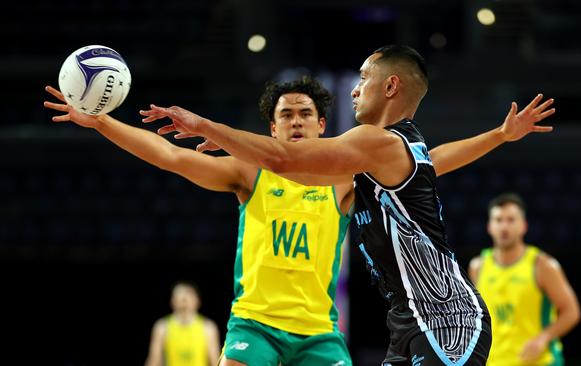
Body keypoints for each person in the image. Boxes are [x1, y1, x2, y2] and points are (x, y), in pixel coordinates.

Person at [141, 44, 556, 365]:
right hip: (407, 319)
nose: (354, 89)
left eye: (363, 78)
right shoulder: (399, 150)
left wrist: (206, 125)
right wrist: (499, 135)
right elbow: (293, 167)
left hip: (444, 317)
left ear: (390, 86)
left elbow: (285, 159)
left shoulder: (375, 140)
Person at [44, 77, 355, 366]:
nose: (296, 121)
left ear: (322, 125)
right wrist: (101, 121)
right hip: (256, 326)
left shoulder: (344, 181)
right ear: (273, 128)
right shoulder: (250, 172)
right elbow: (170, 156)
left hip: (318, 331)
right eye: (286, 115)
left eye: (305, 113)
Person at [468, 193, 581, 366]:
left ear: (524, 226)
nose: (504, 226)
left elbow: (571, 311)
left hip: (540, 361)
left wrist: (544, 338)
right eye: (499, 220)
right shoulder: (478, 267)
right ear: (490, 226)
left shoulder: (543, 265)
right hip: (494, 361)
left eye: (511, 220)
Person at [145, 281, 221, 366]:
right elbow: (154, 360)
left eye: (189, 296)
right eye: (180, 296)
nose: (184, 300)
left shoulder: (208, 328)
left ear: (198, 301)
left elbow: (215, 361)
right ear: (172, 301)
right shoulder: (162, 327)